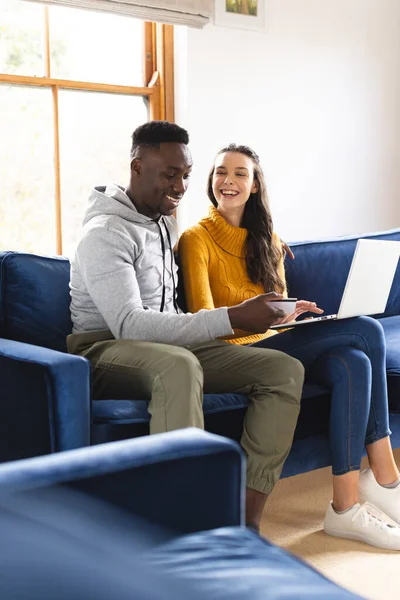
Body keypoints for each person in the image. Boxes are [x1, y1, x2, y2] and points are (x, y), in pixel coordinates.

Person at [67, 121, 305, 533]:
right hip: (102, 350)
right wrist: (233, 317)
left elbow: (168, 317)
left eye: (187, 175)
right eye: (170, 174)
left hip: (163, 343)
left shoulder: (162, 221)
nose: (181, 186)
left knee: (283, 371)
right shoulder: (104, 233)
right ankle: (189, 526)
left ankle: (244, 521)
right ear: (137, 167)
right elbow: (128, 325)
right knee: (177, 367)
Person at [179, 143, 400, 550]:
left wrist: (289, 313)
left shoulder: (269, 239)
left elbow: (274, 309)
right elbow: (202, 320)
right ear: (211, 183)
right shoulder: (195, 240)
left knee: (353, 362)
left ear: (255, 185)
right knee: (366, 331)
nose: (228, 180)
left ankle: (345, 507)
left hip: (277, 341)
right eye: (220, 172)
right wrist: (258, 317)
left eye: (240, 173)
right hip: (232, 351)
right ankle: (385, 476)